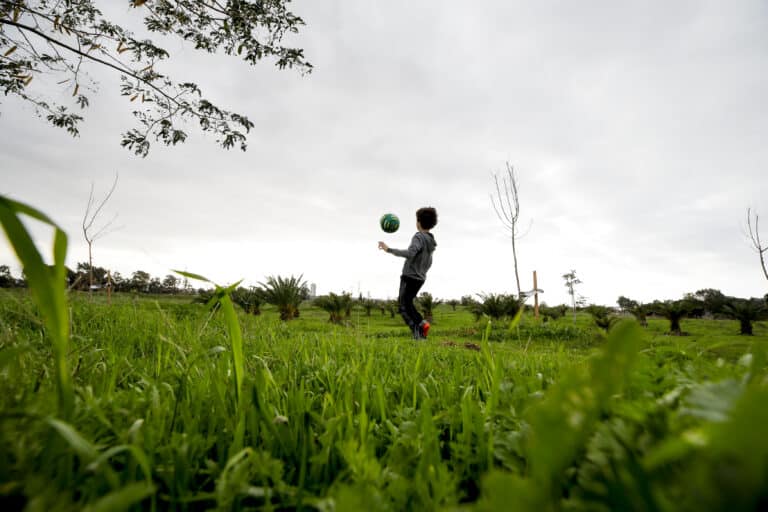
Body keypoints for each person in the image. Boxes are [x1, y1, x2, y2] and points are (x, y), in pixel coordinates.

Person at [378, 207, 438, 339]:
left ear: (419, 222)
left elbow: (410, 253)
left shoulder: (419, 237)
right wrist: (422, 272)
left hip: (409, 276)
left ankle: (419, 328)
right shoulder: (430, 241)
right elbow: (429, 261)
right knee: (408, 303)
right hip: (420, 278)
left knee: (403, 306)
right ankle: (420, 329)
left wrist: (389, 249)